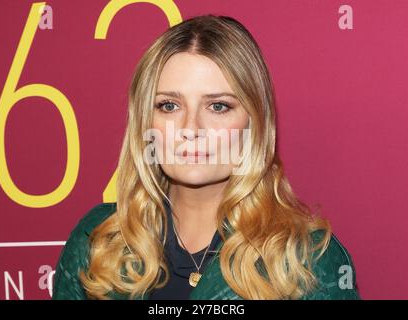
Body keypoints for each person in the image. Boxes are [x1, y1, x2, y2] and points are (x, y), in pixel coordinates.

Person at [52, 14, 360, 300]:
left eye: (218, 106)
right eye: (169, 106)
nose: (191, 129)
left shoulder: (306, 258)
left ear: (254, 122)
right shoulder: (97, 241)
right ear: (145, 121)